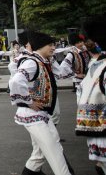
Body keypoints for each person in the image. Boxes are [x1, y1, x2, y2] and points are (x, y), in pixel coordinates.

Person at [9, 32, 74, 175]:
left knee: (43, 151)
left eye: (54, 45)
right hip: (32, 114)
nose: (53, 48)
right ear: (40, 46)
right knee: (54, 150)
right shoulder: (31, 62)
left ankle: (31, 172)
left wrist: (72, 59)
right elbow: (15, 81)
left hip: (42, 113)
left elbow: (61, 73)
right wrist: (28, 102)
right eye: (50, 45)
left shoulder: (43, 61)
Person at [75, 24, 106, 175]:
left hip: (97, 122)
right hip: (96, 123)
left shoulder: (99, 64)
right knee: (101, 161)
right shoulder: (97, 63)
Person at [58, 32, 91, 96]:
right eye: (78, 43)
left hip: (89, 78)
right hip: (80, 81)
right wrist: (75, 75)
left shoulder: (86, 50)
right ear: (74, 44)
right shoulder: (72, 53)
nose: (81, 44)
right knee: (82, 98)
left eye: (81, 41)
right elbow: (63, 66)